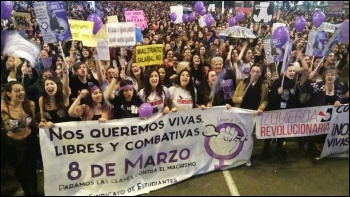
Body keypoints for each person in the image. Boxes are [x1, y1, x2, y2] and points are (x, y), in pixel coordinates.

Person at [1, 81, 39, 196]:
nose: (21, 93)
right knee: (20, 171)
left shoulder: (30, 104)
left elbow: (33, 122)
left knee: (32, 170)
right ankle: (27, 192)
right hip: (12, 144)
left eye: (22, 90)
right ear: (9, 93)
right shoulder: (4, 108)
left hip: (30, 141)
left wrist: (43, 124)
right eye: (17, 91)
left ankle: (35, 191)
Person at [262, 64, 299, 161]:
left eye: (293, 71)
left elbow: (294, 98)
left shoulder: (294, 82)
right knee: (271, 132)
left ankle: (278, 150)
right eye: (290, 71)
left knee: (282, 132)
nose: (292, 73)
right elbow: (270, 99)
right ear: (285, 71)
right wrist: (277, 94)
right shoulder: (278, 82)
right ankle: (265, 151)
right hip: (275, 111)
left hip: (286, 113)